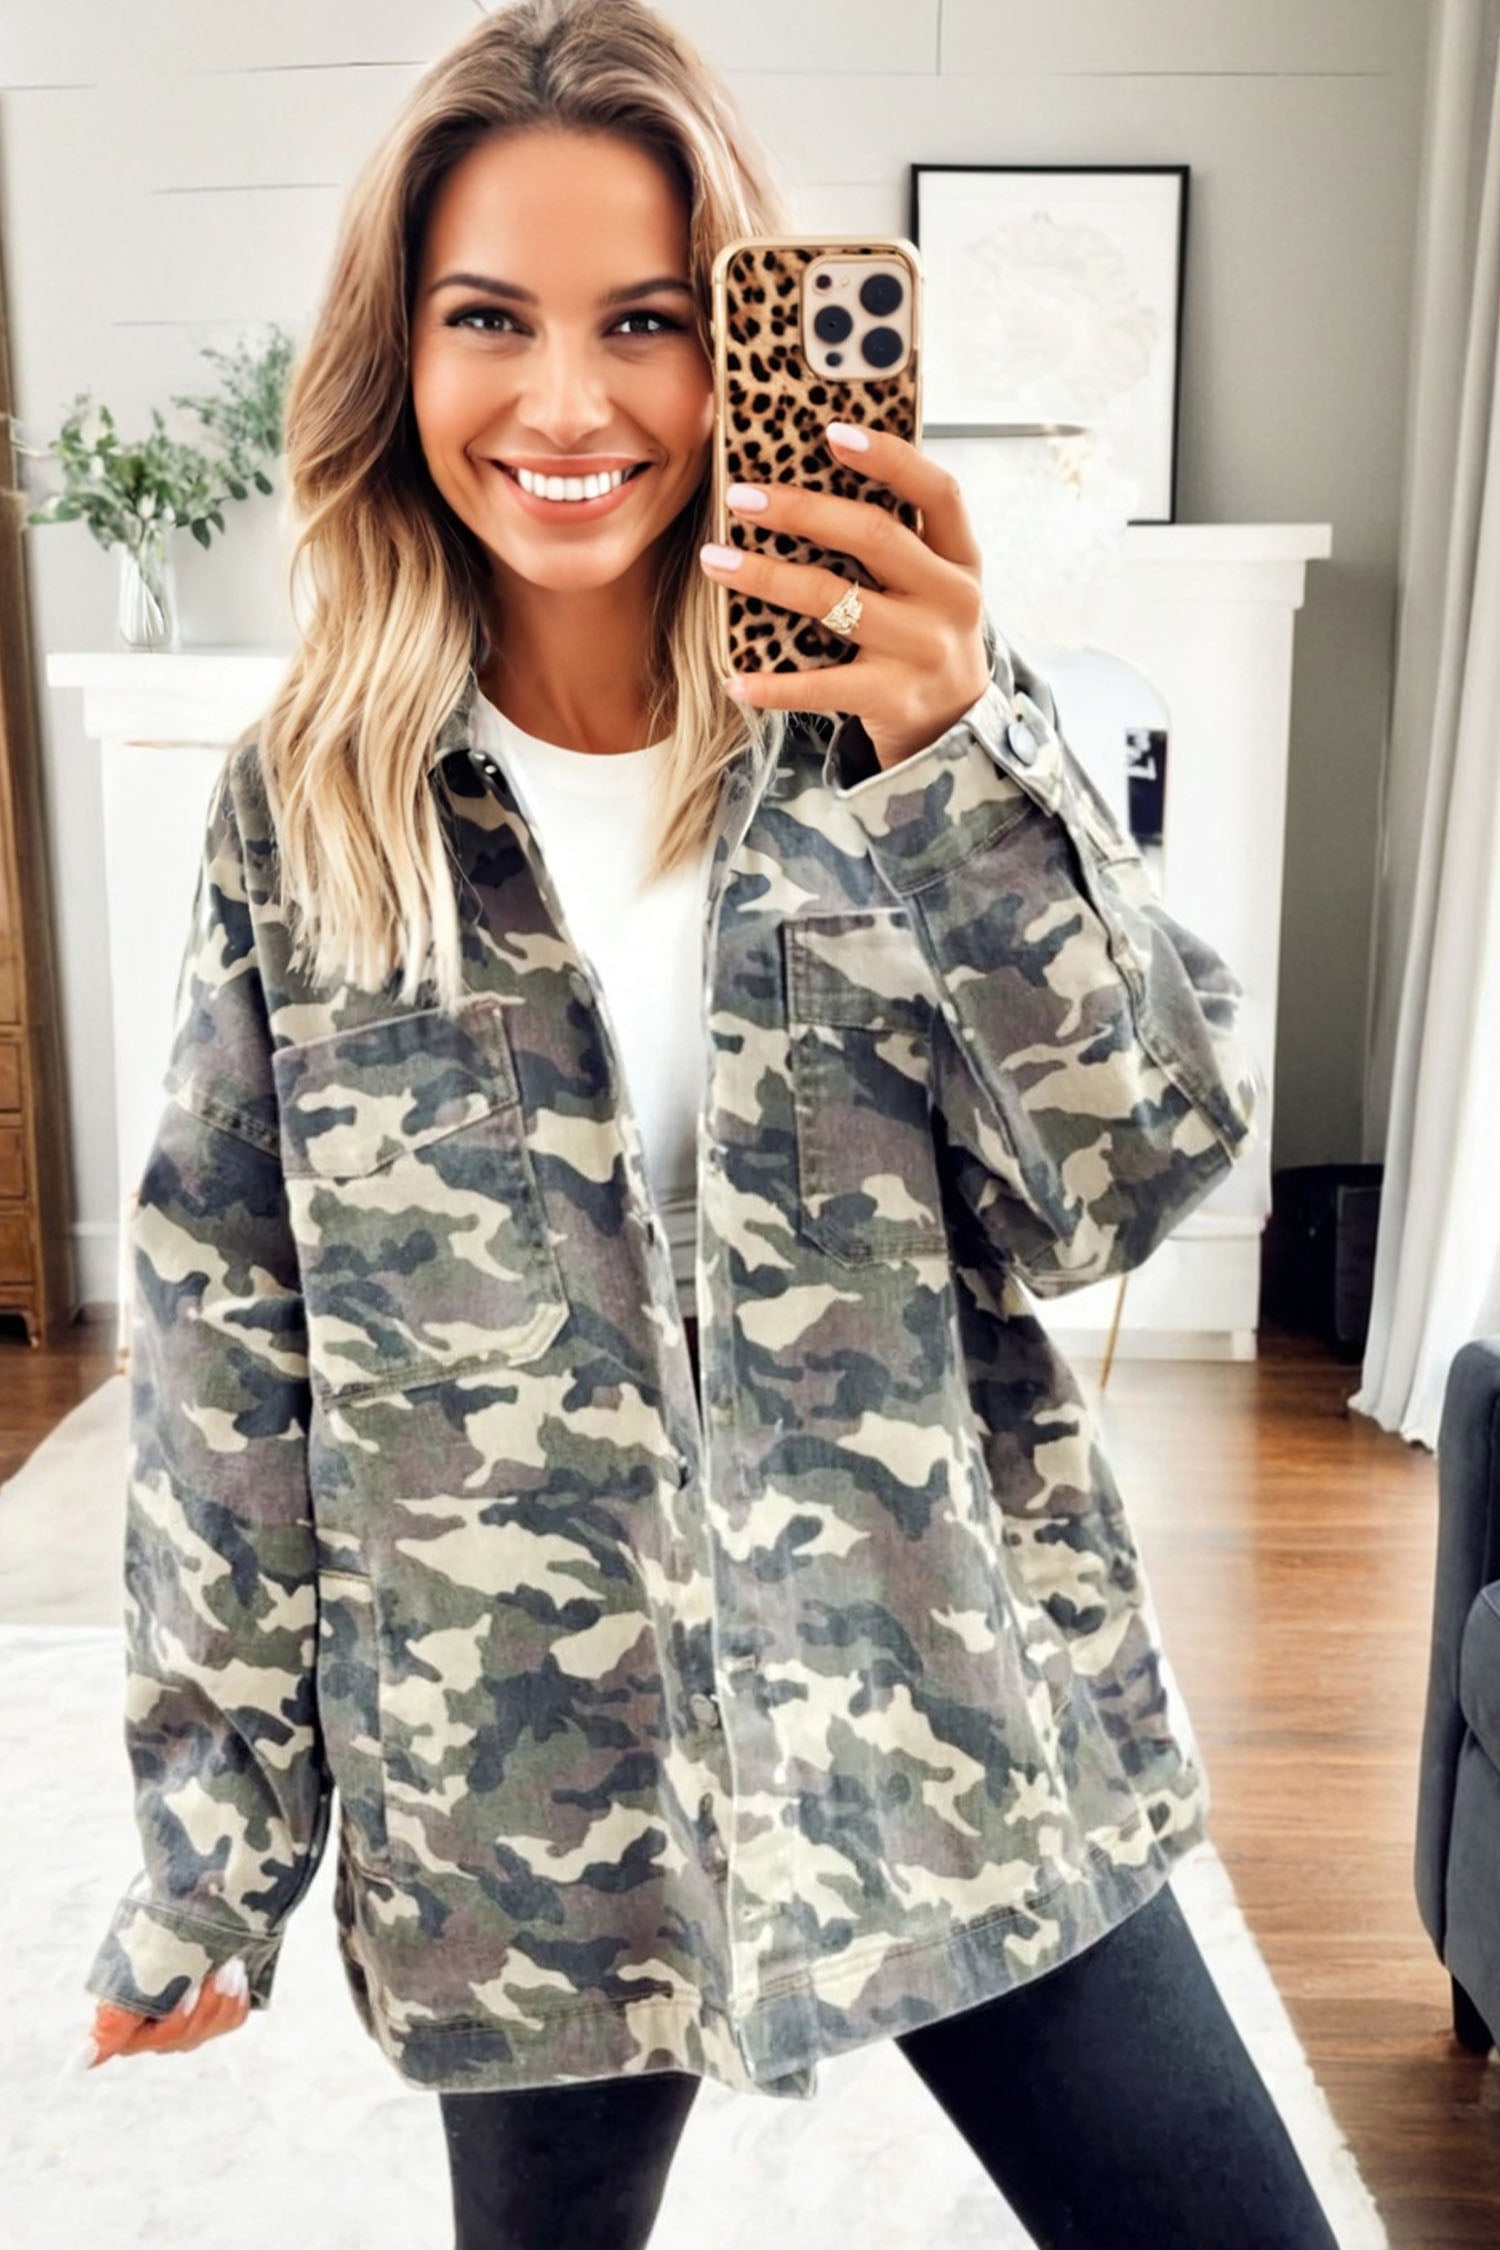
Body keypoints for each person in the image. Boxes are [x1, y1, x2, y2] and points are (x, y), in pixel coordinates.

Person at [77, 3, 1339, 2245]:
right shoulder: (311, 806)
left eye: (648, 322)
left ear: (735, 343)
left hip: (953, 1715)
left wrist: (958, 766)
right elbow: (223, 1362)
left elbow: (1132, 1177)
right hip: (527, 1803)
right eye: (491, 320)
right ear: (400, 356)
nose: (568, 404)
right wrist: (214, 1851)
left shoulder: (897, 728)